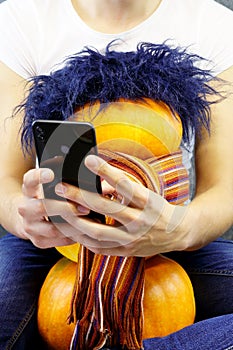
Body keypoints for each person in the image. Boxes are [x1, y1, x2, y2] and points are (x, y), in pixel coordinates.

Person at [0, 0, 232, 349]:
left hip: (174, 239)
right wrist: (24, 215)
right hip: (55, 244)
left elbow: (225, 186)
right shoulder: (21, 17)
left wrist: (179, 228)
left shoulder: (214, 24)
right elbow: (5, 178)